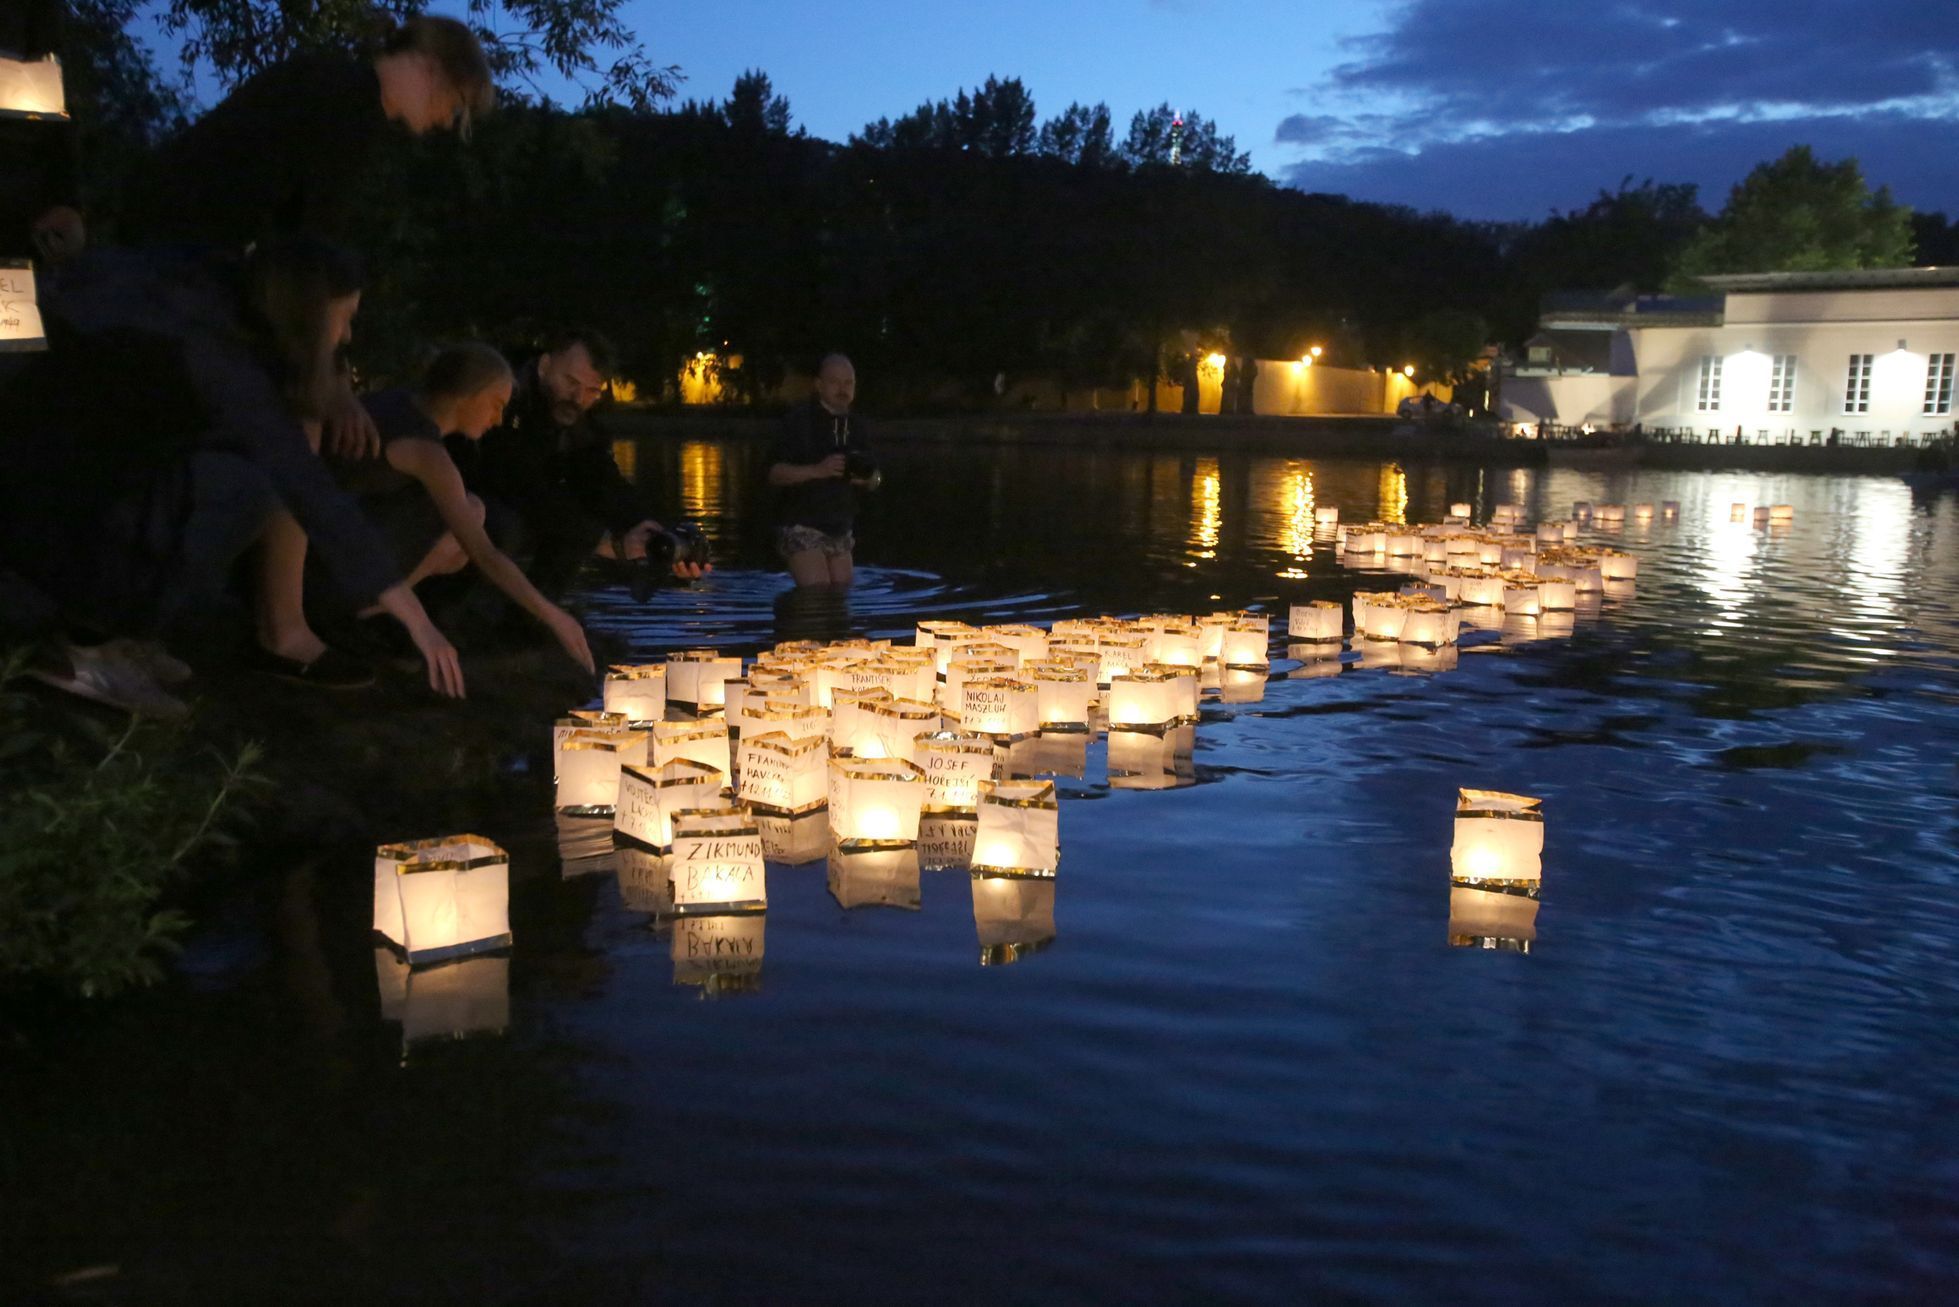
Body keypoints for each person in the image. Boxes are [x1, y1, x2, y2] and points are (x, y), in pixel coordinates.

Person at [0, 237, 465, 715]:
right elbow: (304, 484)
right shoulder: (217, 353)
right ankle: (83, 644)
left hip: (52, 446)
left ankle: (104, 627)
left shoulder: (201, 273)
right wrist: (417, 620)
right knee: (238, 488)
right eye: (344, 318)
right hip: (41, 480)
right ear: (306, 311)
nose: (346, 335)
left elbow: (34, 287)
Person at [333, 342, 594, 673]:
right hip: (330, 574)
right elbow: (486, 555)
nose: (498, 419)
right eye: (495, 405)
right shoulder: (426, 452)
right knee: (471, 517)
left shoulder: (398, 403)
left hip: (328, 550)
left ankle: (384, 612)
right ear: (467, 396)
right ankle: (363, 612)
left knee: (471, 510)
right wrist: (555, 617)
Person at [457, 327, 703, 598]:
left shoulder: (575, 422)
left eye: (591, 391)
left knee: (576, 522)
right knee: (523, 526)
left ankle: (529, 625)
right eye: (571, 383)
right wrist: (603, 542)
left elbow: (602, 482)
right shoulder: (505, 400)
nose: (578, 399)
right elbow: (519, 483)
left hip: (510, 508)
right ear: (544, 366)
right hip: (460, 504)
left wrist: (654, 532)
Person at [767, 353, 881, 588]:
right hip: (802, 525)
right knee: (818, 594)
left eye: (848, 383)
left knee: (840, 594)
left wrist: (867, 479)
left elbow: (876, 477)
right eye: (835, 382)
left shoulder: (858, 426)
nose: (843, 389)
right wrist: (818, 470)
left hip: (840, 528)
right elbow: (773, 472)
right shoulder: (798, 423)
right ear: (819, 385)